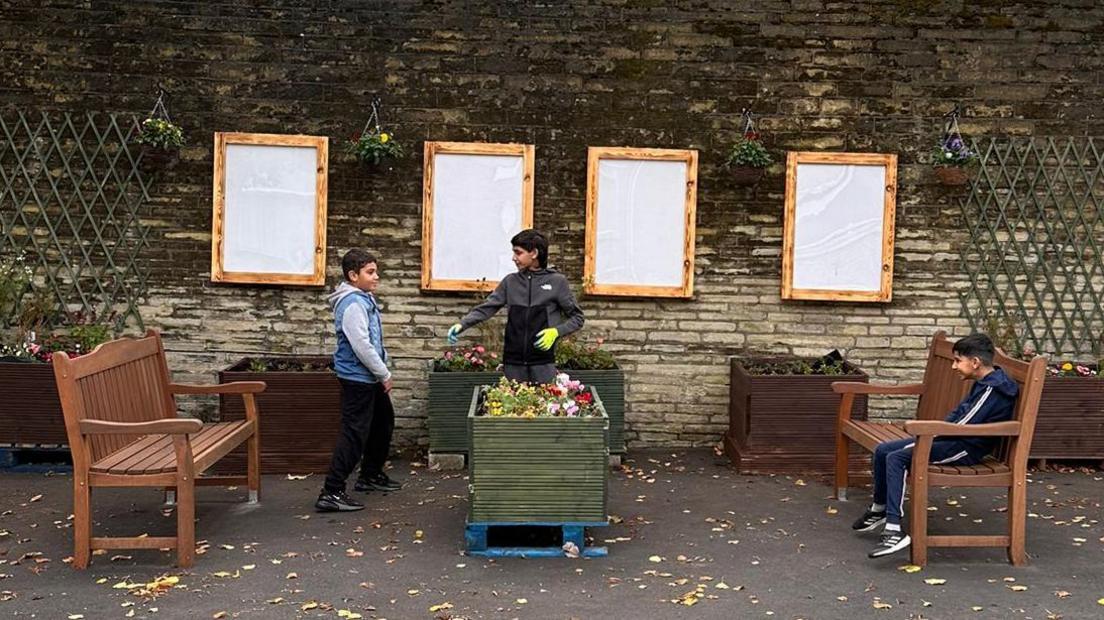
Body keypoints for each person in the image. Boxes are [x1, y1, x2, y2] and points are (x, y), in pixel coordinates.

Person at [853, 333, 1020, 558]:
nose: (954, 366)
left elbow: (964, 424)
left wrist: (929, 432)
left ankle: (894, 530)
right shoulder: (985, 381)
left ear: (975, 362)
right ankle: (880, 509)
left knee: (897, 458)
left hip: (965, 447)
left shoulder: (992, 389)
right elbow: (961, 413)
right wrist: (934, 430)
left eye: (957, 360)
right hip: (952, 437)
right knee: (884, 450)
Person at [315, 249, 401, 513]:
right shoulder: (352, 303)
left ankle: (370, 475)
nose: (377, 277)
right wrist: (384, 374)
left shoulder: (363, 299)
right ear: (353, 275)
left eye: (375, 271)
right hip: (357, 378)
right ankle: (331, 491)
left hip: (367, 377)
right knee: (354, 434)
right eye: (370, 272)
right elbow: (361, 345)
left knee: (382, 422)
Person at [446, 229, 584, 384]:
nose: (513, 258)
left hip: (543, 364)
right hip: (513, 364)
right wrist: (462, 324)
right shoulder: (510, 282)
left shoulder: (557, 282)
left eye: (518, 253)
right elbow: (487, 308)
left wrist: (556, 332)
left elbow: (578, 318)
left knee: (543, 406)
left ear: (534, 253)